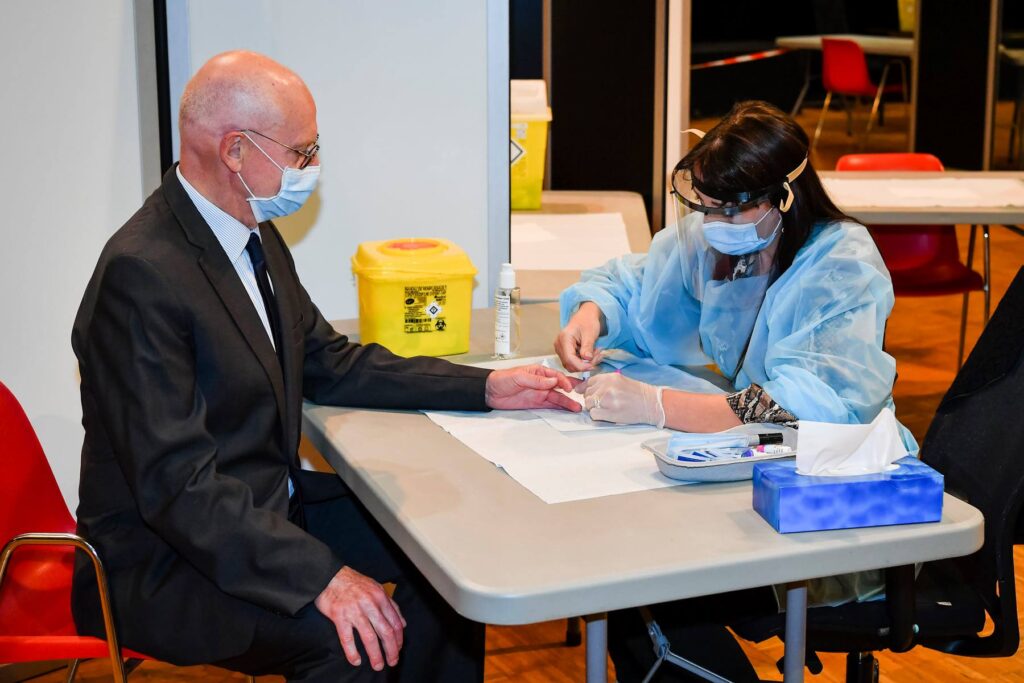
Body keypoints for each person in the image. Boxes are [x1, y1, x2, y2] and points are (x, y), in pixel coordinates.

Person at [71, 50, 579, 683]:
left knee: (453, 563)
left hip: (263, 510)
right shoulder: (141, 276)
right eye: (302, 152)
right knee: (353, 642)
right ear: (235, 152)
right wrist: (322, 578)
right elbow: (178, 489)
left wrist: (488, 387)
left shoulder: (246, 229)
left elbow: (328, 360)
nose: (313, 167)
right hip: (169, 559)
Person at [554, 100, 916, 681]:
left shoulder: (840, 263)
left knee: (646, 581)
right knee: (625, 564)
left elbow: (805, 405)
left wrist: (658, 406)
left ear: (784, 197)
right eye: (706, 206)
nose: (713, 222)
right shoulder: (719, 239)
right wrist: (593, 315)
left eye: (731, 207)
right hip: (746, 463)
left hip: (832, 487)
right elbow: (638, 283)